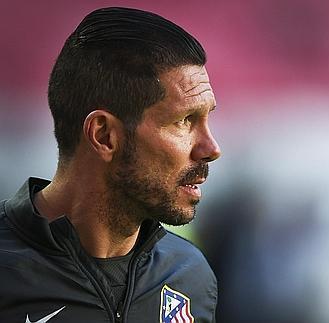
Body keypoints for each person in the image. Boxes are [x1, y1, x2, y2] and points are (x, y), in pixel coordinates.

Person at [0, 7, 221, 323]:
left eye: (207, 117)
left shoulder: (189, 274)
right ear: (104, 135)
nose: (211, 149)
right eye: (184, 121)